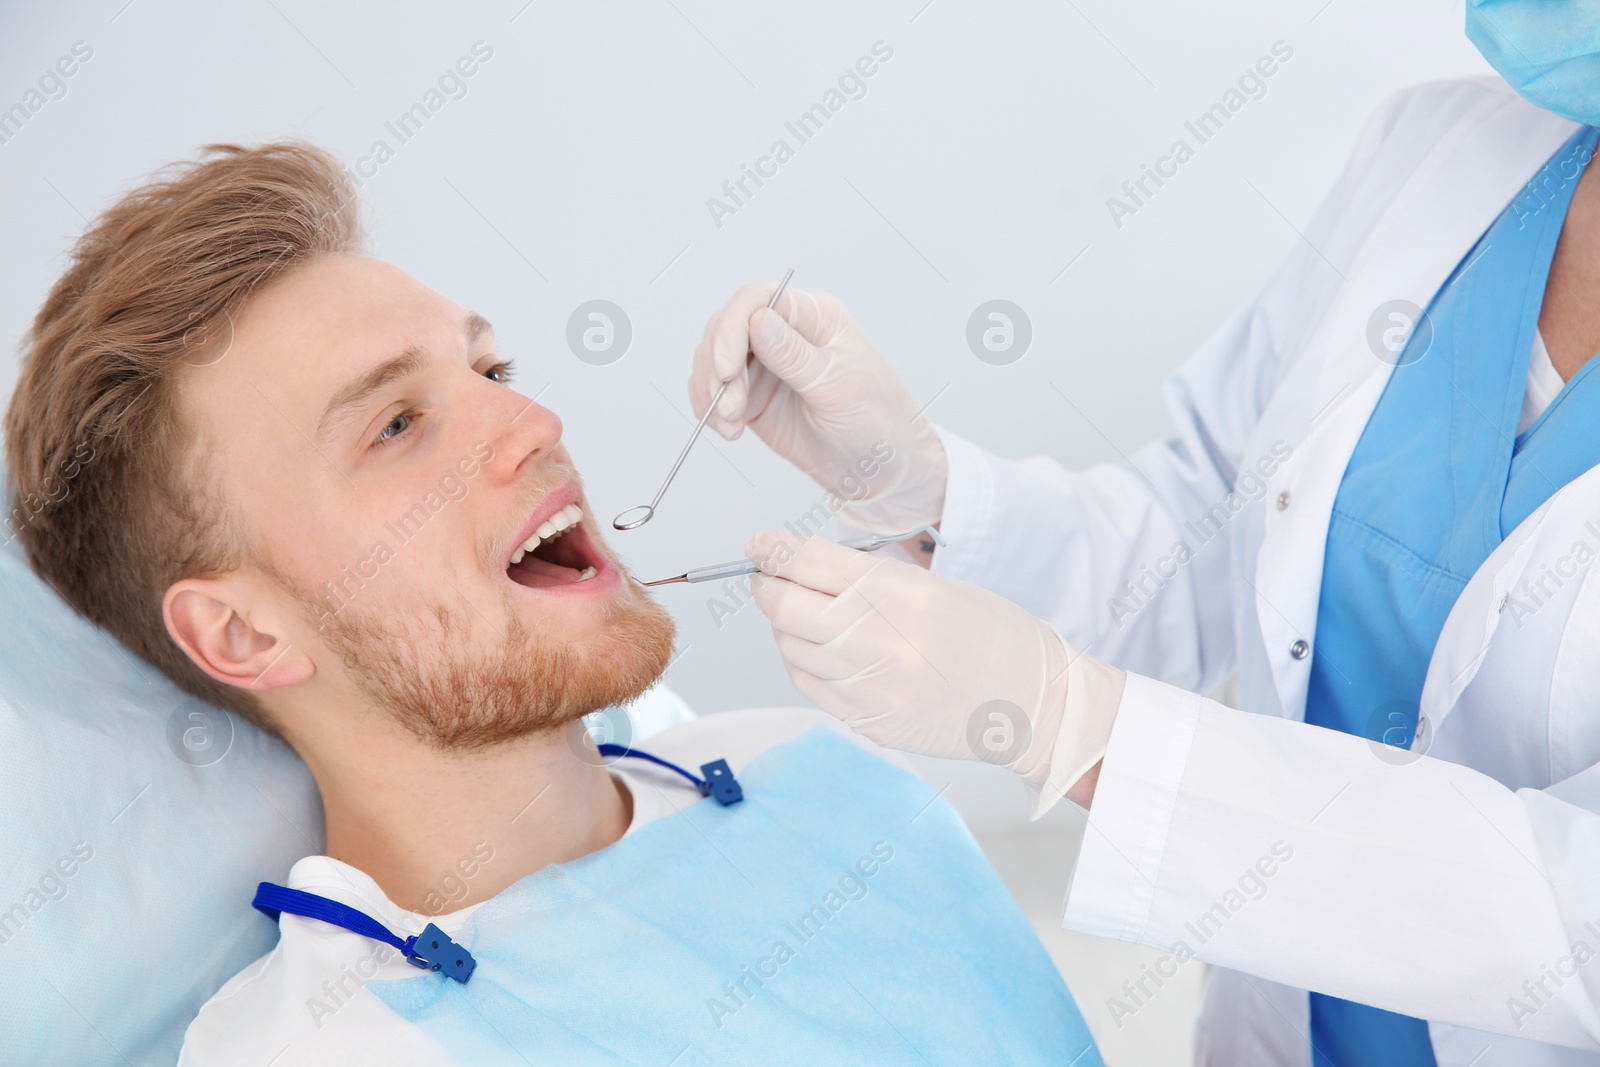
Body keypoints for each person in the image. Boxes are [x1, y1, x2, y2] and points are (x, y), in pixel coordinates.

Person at [1, 144, 1103, 1066]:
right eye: (394, 424)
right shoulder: (318, 1045)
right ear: (242, 633)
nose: (528, 418)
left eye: (489, 367)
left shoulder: (815, 769)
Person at [686, 7, 1600, 1066]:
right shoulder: (1445, 152)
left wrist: (1081, 727)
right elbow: (1211, 519)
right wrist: (921, 486)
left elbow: (1570, 912)